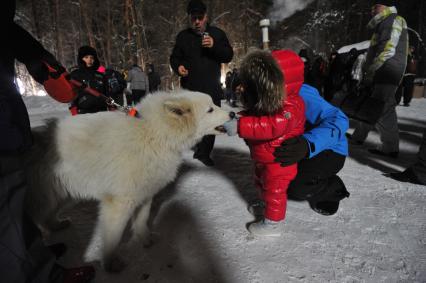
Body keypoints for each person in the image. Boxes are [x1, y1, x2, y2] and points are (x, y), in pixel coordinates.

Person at [0, 0, 95, 282]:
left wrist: (38, 57)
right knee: (6, 202)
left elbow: (10, 33)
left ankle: (32, 255)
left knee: (14, 201)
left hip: (7, 114)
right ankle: (38, 274)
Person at [224, 50, 306, 237]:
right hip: (265, 156)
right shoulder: (267, 101)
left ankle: (273, 224)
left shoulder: (291, 106)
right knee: (261, 182)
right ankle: (265, 206)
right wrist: (239, 117)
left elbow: (272, 125)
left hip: (279, 160)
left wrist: (240, 125)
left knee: (274, 191)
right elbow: (256, 114)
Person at [170, 0, 233, 166]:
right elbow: (174, 58)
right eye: (193, 18)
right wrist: (179, 67)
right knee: (191, 119)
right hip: (190, 88)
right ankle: (195, 144)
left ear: (206, 17)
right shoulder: (183, 37)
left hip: (211, 88)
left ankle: (204, 153)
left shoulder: (217, 34)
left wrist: (214, 46)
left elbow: (228, 55)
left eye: (200, 17)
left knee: (211, 120)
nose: (197, 22)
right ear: (189, 18)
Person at [347, 1, 408, 158]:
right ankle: (358, 137)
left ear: (386, 6)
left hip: (387, 70)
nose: (371, 10)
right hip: (384, 70)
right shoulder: (383, 23)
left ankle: (390, 147)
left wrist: (371, 70)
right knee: (373, 104)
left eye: (376, 6)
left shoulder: (391, 20)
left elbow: (388, 50)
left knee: (382, 108)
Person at [69, 45, 109, 114]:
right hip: (83, 113)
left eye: (92, 57)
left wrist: (111, 106)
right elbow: (72, 94)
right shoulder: (75, 74)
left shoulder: (101, 75)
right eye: (86, 57)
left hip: (102, 112)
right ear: (81, 58)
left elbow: (106, 93)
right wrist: (73, 108)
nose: (89, 60)